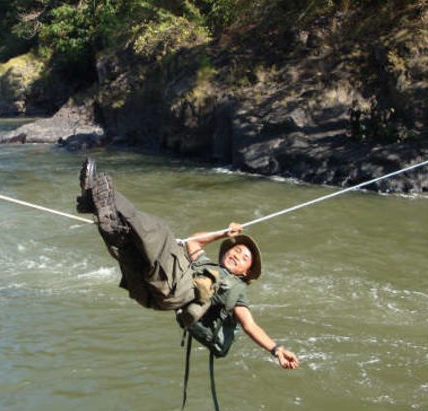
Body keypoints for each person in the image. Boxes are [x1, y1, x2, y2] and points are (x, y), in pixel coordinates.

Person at [77, 158, 299, 369]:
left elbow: (250, 325)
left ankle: (99, 195)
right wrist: (224, 233)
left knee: (160, 232)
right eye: (236, 250)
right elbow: (194, 242)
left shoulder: (237, 290)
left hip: (177, 292)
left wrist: (276, 349)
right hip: (147, 294)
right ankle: (98, 205)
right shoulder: (206, 264)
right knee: (127, 245)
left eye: (243, 258)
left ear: (246, 271)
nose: (236, 255)